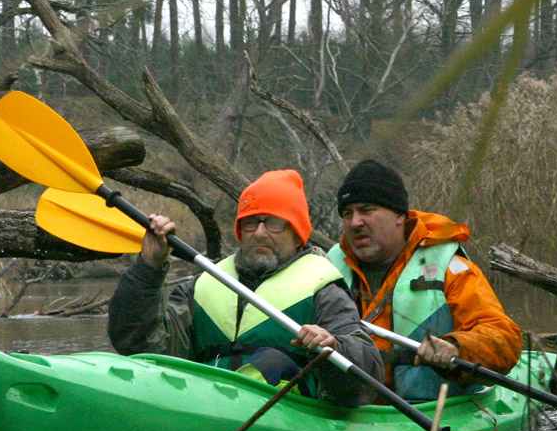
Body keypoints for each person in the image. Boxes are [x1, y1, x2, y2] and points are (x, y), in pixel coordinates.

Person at [108, 169, 383, 407]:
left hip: (288, 413)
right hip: (203, 405)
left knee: (272, 361)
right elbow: (136, 344)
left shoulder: (323, 290)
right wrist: (148, 268)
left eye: (274, 223)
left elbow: (365, 380)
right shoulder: (204, 284)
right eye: (251, 222)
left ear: (297, 233)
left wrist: (333, 347)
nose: (260, 232)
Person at [327, 159, 522, 402]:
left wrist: (456, 346)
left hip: (429, 408)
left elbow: (505, 338)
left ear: (400, 215)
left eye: (366, 210)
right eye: (347, 213)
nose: (355, 222)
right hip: (346, 406)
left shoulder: (449, 268)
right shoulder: (327, 268)